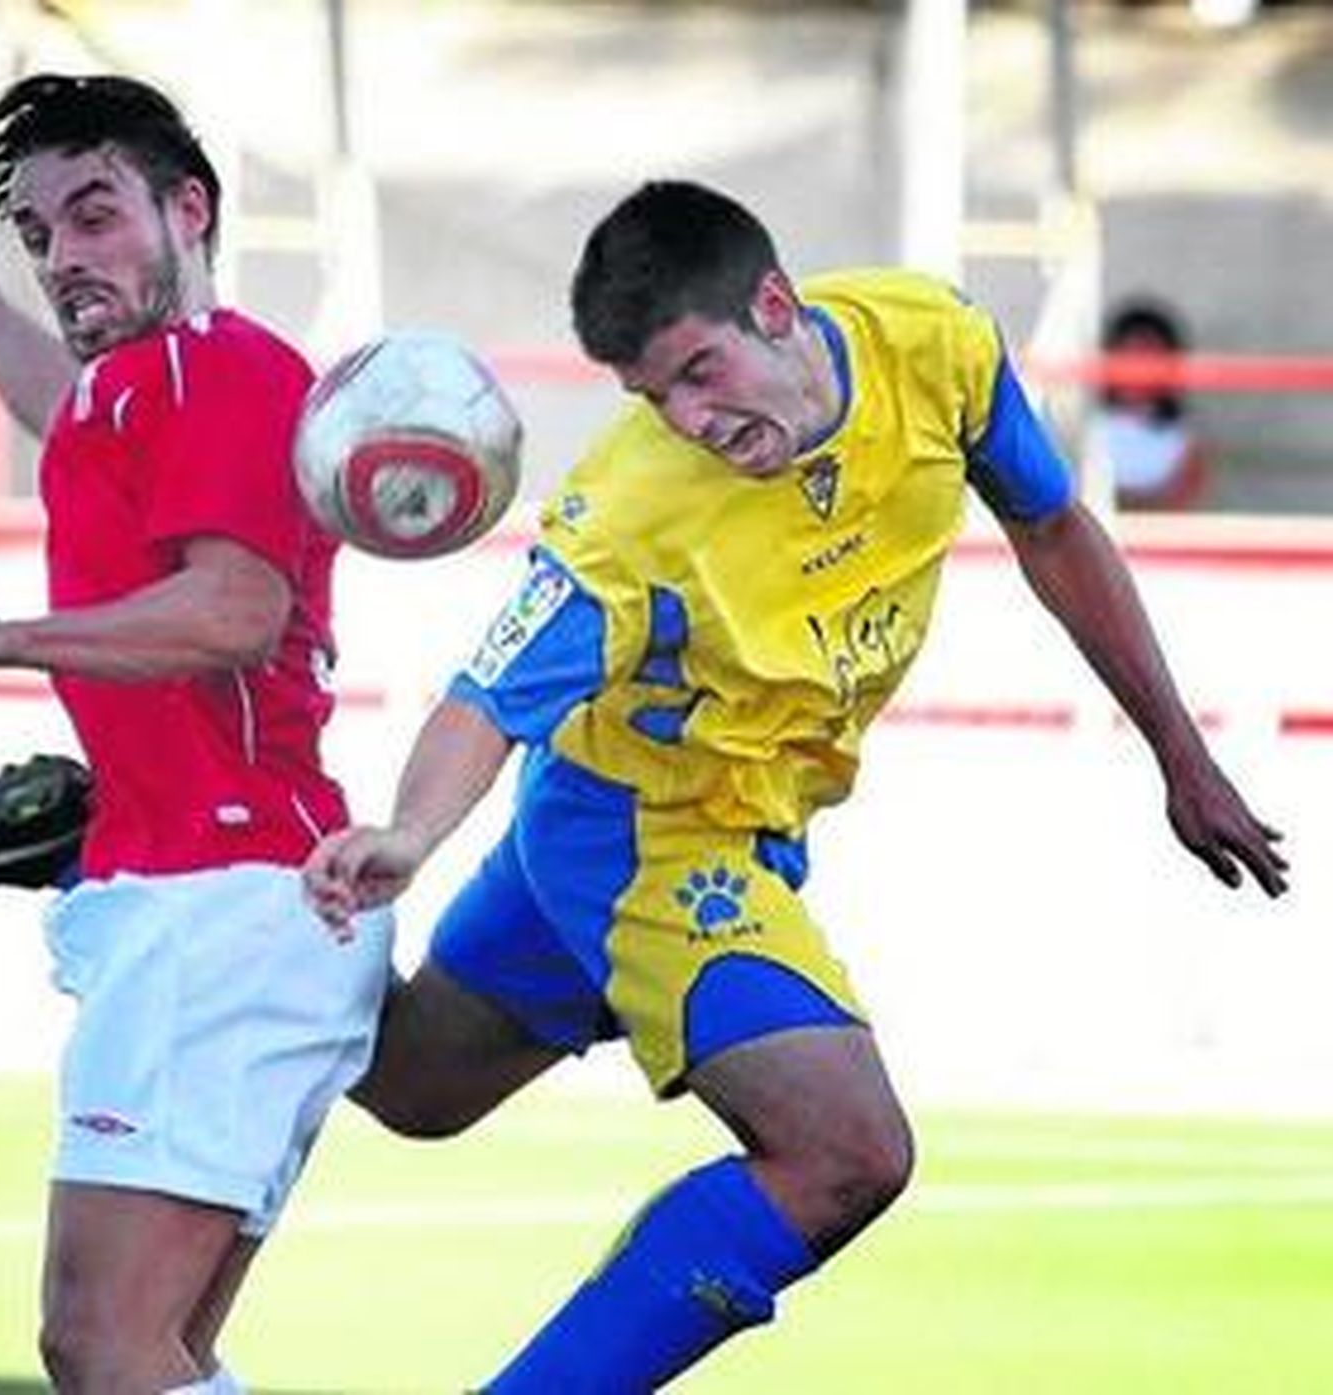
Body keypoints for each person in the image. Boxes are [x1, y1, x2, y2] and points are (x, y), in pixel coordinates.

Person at [302, 180, 1290, 1393]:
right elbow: (485, 695)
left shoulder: (936, 347)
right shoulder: (630, 509)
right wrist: (410, 830)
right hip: (639, 838)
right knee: (846, 1152)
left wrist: (1180, 758)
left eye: (700, 372)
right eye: (655, 396)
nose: (689, 417)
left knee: (411, 1089)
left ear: (776, 306)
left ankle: (167, 875)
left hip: (730, 823)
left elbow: (1051, 527)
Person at [0, 75, 393, 1395]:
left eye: (95, 215)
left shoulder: (222, 366)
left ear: (188, 207)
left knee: (102, 1344)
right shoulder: (136, 391)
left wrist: (2, 635)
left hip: (227, 905)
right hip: (228, 900)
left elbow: (234, 608)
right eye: (38, 236)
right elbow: (64, 407)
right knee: (151, 1351)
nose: (63, 258)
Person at [1090, 297, 1211, 511]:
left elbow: (1178, 508)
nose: (1139, 371)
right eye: (1130, 357)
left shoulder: (1185, 442)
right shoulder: (1086, 429)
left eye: (1149, 358)